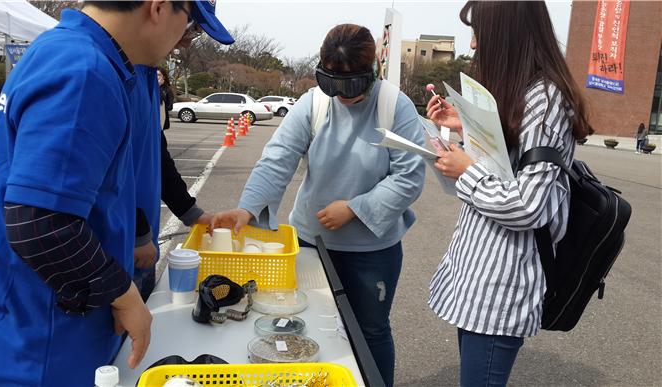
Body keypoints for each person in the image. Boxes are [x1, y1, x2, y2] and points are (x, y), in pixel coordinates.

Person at [0, 1, 233, 385]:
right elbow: (39, 221)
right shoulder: (85, 71)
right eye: (189, 21)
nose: (183, 37)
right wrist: (123, 293)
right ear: (159, 7)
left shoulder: (64, 52)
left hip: (37, 311)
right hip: (45, 333)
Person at [212, 24, 426, 387]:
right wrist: (247, 209)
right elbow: (277, 159)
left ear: (372, 73)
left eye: (352, 87)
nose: (341, 95)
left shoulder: (395, 106)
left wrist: (355, 208)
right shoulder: (314, 103)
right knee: (310, 326)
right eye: (331, 83)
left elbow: (410, 175)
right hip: (313, 243)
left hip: (372, 250)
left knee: (371, 330)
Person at [425, 2, 593, 386]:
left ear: (507, 35)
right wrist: (462, 128)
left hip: (500, 288)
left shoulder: (545, 101)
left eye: (478, 32)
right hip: (479, 276)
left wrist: (466, 170)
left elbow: (528, 206)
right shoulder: (520, 94)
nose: (472, 43)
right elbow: (503, 167)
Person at [132, 25, 230, 302]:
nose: (186, 45)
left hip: (137, 250)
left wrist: (193, 214)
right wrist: (138, 233)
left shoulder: (146, 74)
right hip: (101, 264)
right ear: (159, 9)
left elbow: (156, 155)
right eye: (190, 29)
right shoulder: (92, 71)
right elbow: (51, 203)